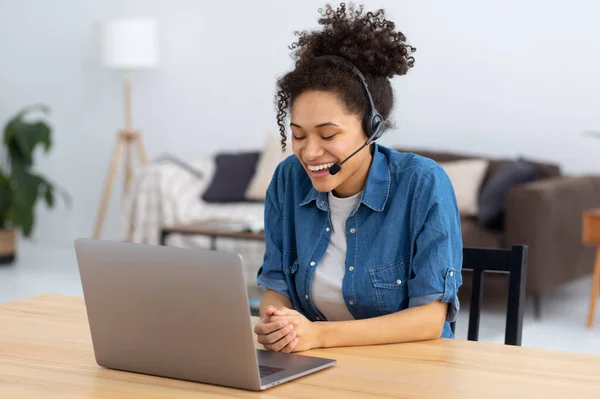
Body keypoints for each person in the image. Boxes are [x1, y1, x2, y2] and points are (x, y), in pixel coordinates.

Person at [254, 2, 463, 353]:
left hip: (410, 367)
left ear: (372, 128)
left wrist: (318, 336)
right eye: (299, 135)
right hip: (315, 364)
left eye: (328, 135)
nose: (309, 153)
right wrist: (279, 324)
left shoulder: (423, 183)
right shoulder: (287, 180)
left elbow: (430, 318)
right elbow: (277, 289)